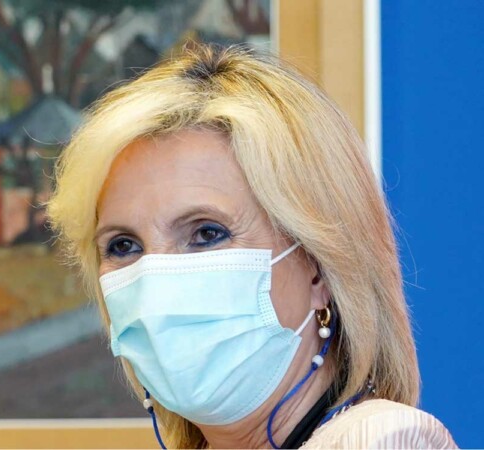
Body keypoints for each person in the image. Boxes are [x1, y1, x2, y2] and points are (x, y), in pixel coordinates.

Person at [47, 45, 457, 449]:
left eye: (207, 233)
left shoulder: (382, 441)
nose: (154, 284)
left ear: (319, 268)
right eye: (123, 245)